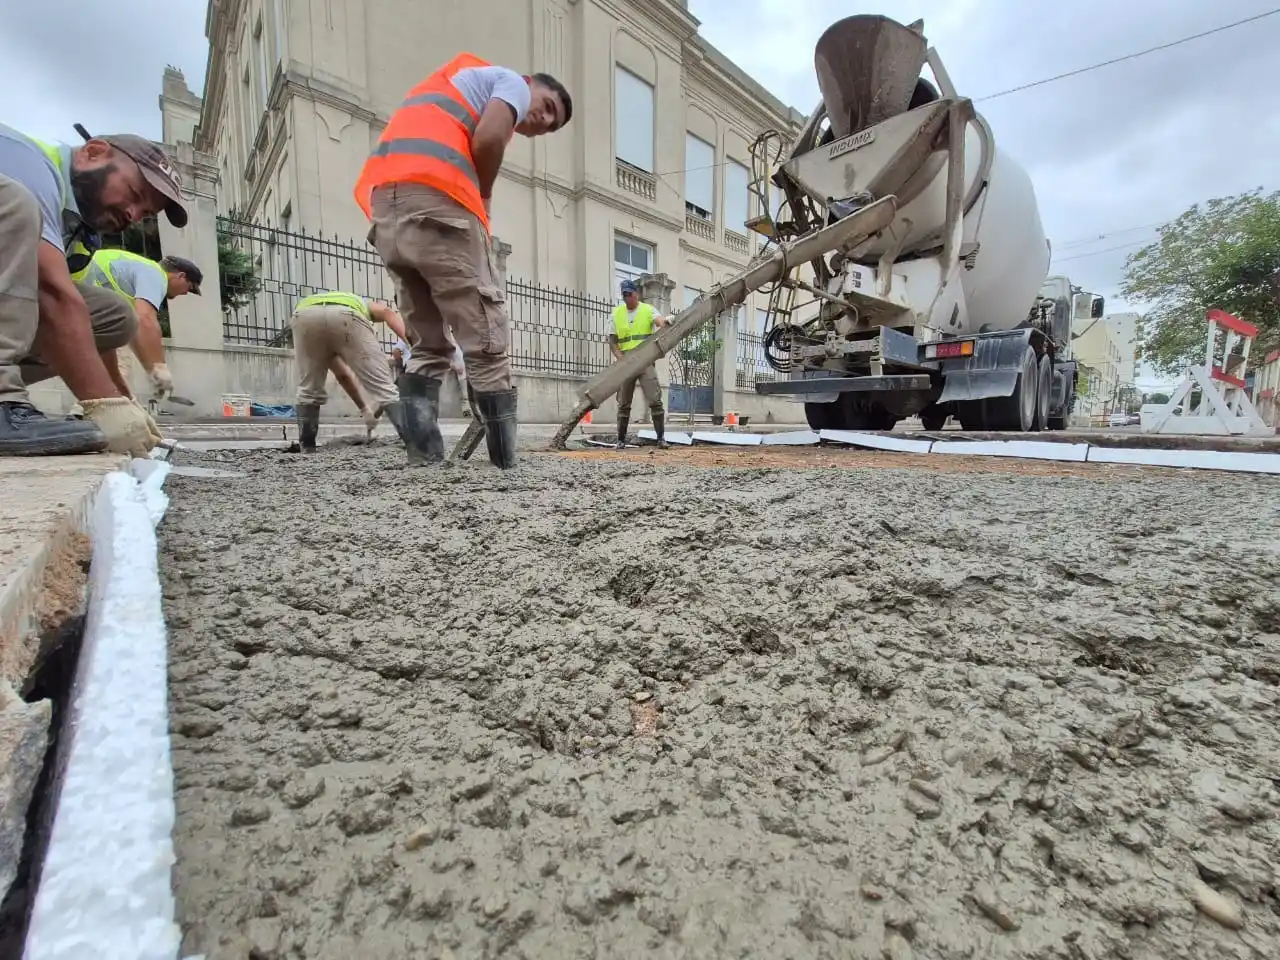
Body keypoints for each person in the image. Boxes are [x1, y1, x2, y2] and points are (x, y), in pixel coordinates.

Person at [355, 54, 572, 468]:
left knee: (427, 343)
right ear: (531, 84)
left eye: (550, 126)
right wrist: (482, 196)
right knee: (486, 337)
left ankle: (424, 460)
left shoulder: (448, 88)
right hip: (439, 206)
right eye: (547, 107)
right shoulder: (512, 83)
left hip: (388, 214)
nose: (543, 121)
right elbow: (488, 140)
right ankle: (504, 466)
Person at [0, 124, 185, 456]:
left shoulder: (78, 235)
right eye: (134, 193)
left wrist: (121, 399)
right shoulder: (29, 163)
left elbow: (76, 318)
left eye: (145, 214)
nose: (132, 214)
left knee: (114, 317)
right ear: (93, 153)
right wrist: (105, 403)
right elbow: (54, 294)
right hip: (16, 202)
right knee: (15, 203)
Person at [290, 291, 409, 452]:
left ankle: (307, 448)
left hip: (304, 316)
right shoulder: (361, 303)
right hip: (346, 315)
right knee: (384, 388)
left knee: (308, 390)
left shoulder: (320, 311)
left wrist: (365, 410)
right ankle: (414, 443)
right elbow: (388, 313)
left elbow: (343, 375)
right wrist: (413, 345)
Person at [81, 250, 202, 403]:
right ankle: (106, 407)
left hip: (81, 299)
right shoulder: (155, 274)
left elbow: (133, 332)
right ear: (180, 276)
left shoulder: (137, 275)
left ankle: (88, 408)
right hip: (85, 298)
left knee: (109, 361)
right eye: (189, 287)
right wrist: (161, 369)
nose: (185, 293)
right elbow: (146, 320)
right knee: (120, 362)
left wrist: (151, 370)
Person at [608, 279, 670, 449]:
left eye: (629, 294)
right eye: (624, 295)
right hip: (627, 362)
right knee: (624, 403)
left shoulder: (647, 310)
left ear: (636, 294)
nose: (627, 298)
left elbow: (659, 321)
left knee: (655, 400)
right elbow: (612, 341)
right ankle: (621, 440)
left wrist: (665, 322)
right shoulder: (616, 313)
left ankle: (661, 438)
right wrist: (620, 358)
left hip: (645, 360)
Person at [397, 334, 470, 417]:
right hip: (425, 370)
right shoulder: (437, 340)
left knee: (464, 392)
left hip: (459, 372)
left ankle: (465, 410)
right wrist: (453, 365)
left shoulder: (454, 341)